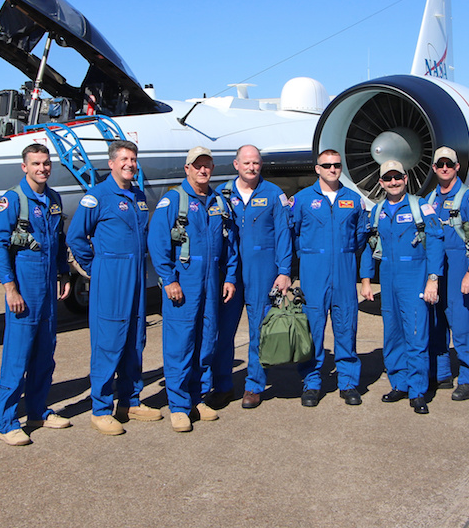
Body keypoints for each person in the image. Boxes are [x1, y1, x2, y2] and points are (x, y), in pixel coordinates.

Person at [66, 140, 160, 435]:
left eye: (133, 159)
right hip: (111, 280)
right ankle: (101, 408)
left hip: (135, 279)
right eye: (124, 159)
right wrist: (98, 269)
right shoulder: (97, 197)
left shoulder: (138, 195)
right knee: (108, 342)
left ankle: (130, 401)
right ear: (111, 163)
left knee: (135, 340)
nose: (130, 164)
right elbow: (76, 237)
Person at [149, 146, 238, 432]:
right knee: (180, 343)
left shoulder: (218, 202)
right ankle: (178, 405)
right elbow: (158, 243)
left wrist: (230, 277)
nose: (203, 170)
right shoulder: (173, 200)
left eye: (207, 165)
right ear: (187, 168)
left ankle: (197, 398)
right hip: (184, 281)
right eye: (197, 165)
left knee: (206, 340)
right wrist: (169, 279)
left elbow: (230, 245)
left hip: (212, 279)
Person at [0, 143, 71, 446]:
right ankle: (7, 421)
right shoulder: (13, 200)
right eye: (35, 163)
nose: (42, 168)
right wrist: (9, 288)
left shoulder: (53, 199)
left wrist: (63, 273)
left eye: (46, 163)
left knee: (45, 353)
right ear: (24, 167)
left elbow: (59, 241)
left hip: (48, 284)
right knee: (17, 355)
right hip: (23, 284)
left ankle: (37, 410)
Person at [211, 145, 292, 410]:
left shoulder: (273, 194)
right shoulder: (222, 194)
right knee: (223, 331)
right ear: (236, 164)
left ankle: (254, 386)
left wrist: (284, 272)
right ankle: (222, 385)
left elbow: (283, 235)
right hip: (229, 273)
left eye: (256, 163)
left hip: (263, 270)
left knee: (259, 329)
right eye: (246, 163)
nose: (251, 167)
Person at [359, 161, 444, 414]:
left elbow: (436, 242)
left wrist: (433, 278)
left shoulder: (420, 207)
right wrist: (366, 280)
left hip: (414, 276)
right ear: (381, 182)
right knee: (393, 334)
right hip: (388, 276)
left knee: (416, 334)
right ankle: (399, 383)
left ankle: (418, 390)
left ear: (406, 179)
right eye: (388, 178)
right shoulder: (378, 211)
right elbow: (369, 244)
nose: (393, 182)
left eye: (398, 177)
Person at [289, 149, 369, 407]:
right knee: (313, 330)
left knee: (346, 326)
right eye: (327, 165)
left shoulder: (354, 200)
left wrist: (360, 273)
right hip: (313, 271)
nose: (332, 169)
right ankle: (311, 382)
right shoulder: (301, 200)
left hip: (344, 271)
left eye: (336, 165)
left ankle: (347, 383)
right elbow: (294, 234)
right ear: (317, 169)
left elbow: (361, 239)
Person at [424, 147, 469, 401]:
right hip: (436, 269)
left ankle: (468, 378)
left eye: (448, 164)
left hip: (459, 266)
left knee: (460, 322)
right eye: (439, 164)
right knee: (436, 322)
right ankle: (441, 374)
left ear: (457, 167)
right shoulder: (430, 200)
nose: (444, 168)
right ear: (433, 168)